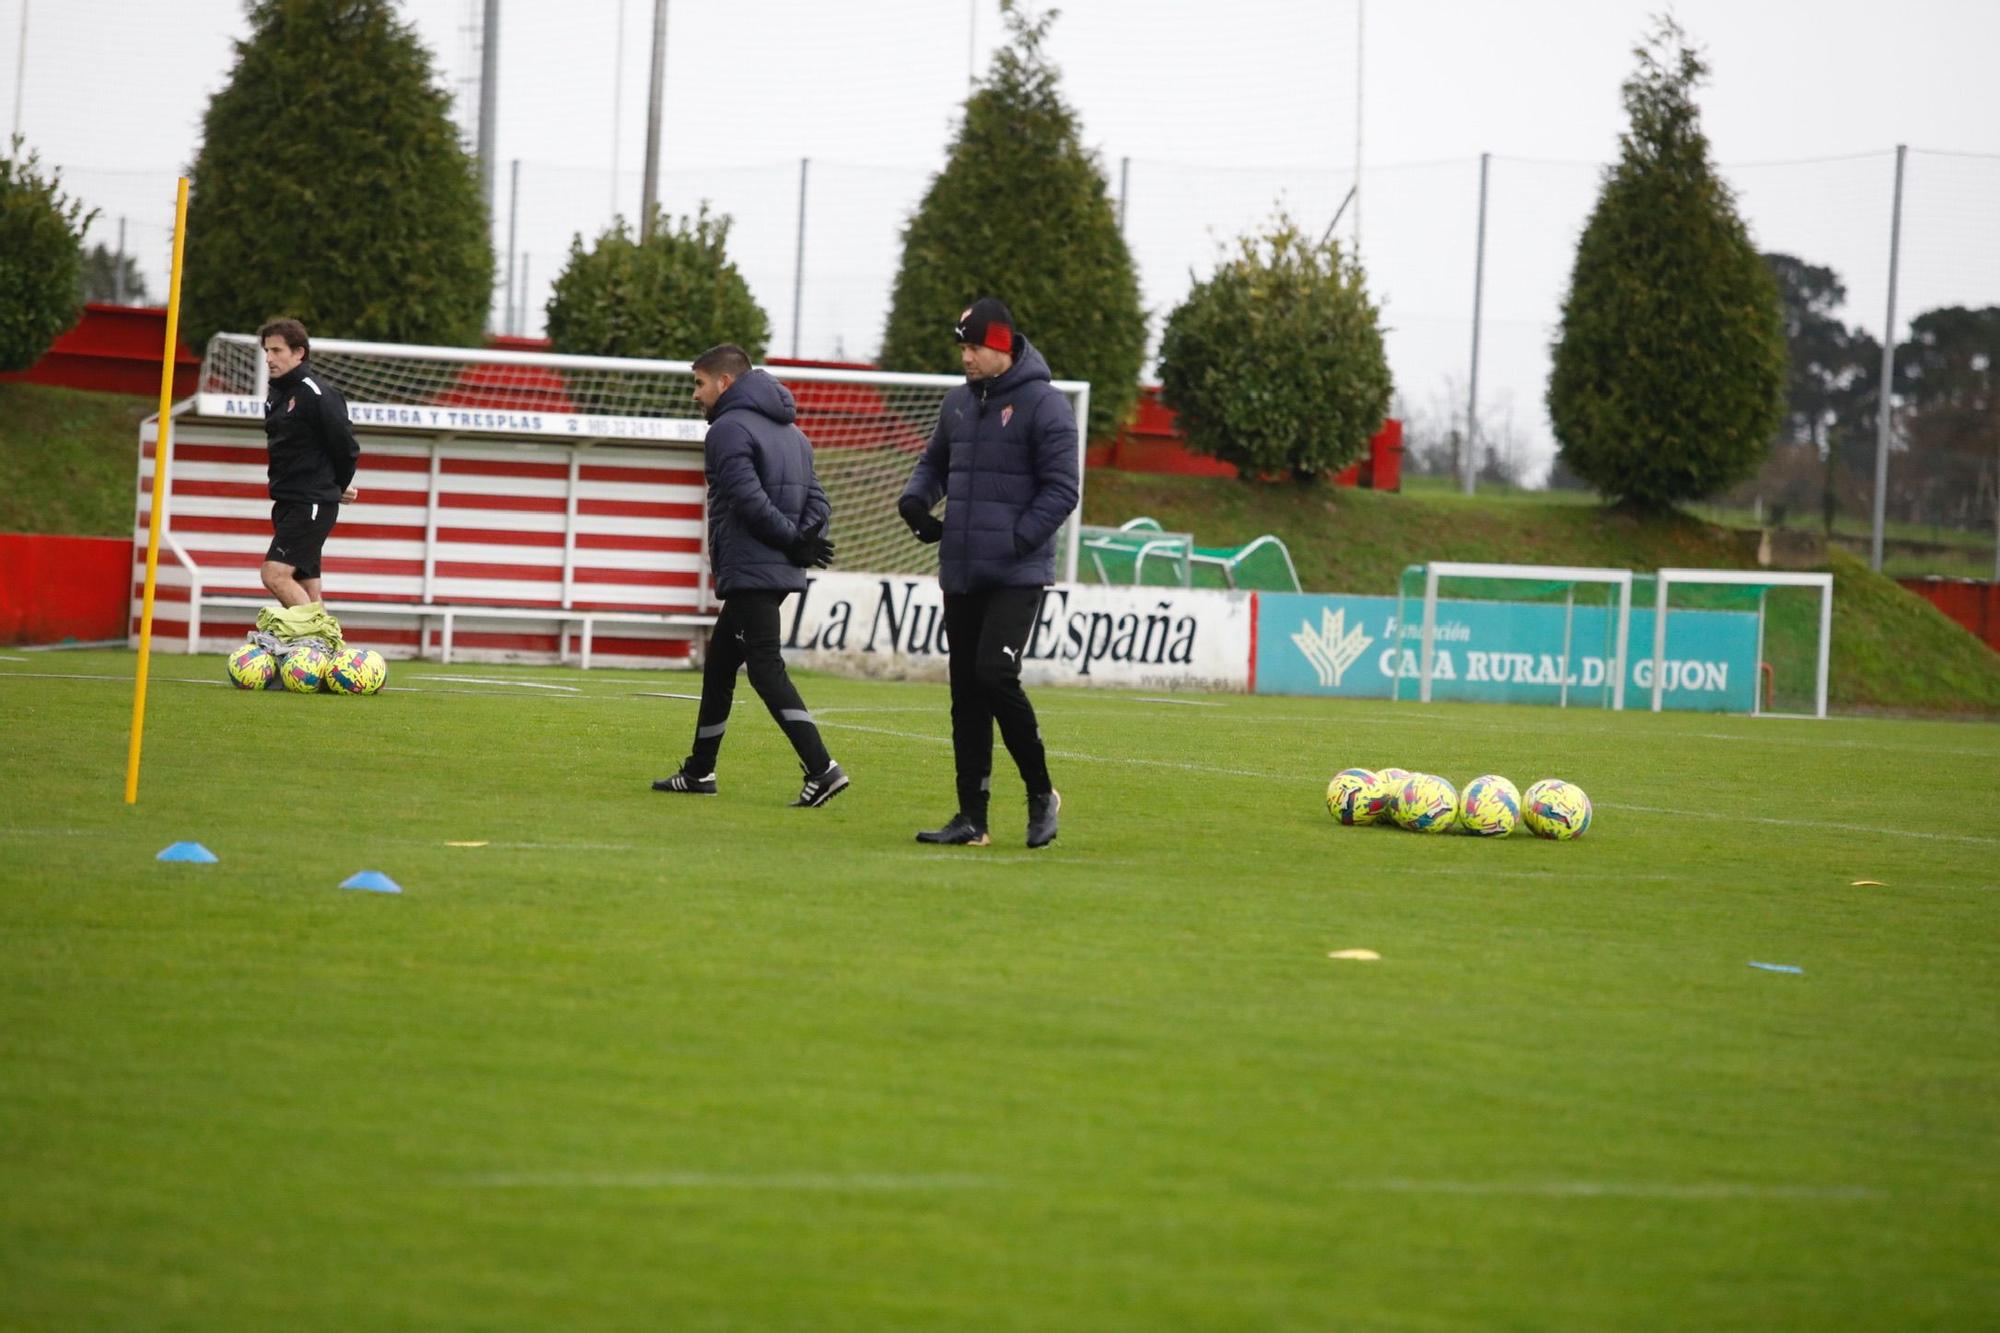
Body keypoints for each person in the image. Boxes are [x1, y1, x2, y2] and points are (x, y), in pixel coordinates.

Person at [897, 298, 1078, 849]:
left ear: (1001, 346)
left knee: (995, 676)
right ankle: (971, 819)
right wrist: (915, 501)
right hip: (962, 569)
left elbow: (1062, 490)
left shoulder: (1046, 406)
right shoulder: (957, 404)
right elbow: (934, 464)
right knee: (966, 693)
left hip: (1017, 572)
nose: (966, 356)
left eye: (974, 346)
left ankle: (1041, 793)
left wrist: (1015, 541)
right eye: (963, 346)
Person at [653, 344, 848, 807]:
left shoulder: (727, 429)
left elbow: (746, 498)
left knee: (764, 666)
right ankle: (700, 771)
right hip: (777, 568)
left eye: (699, 383)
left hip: (751, 566)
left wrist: (789, 540)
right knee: (721, 663)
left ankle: (823, 769)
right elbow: (818, 501)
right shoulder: (794, 434)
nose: (695, 394)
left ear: (724, 382)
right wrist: (800, 540)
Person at [259, 319, 359, 608]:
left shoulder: (316, 394)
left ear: (299, 353)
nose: (269, 358)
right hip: (287, 502)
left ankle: (314, 642)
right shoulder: (276, 395)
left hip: (311, 504)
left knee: (275, 574)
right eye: (267, 351)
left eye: (277, 350)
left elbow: (346, 448)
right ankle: (330, 652)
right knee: (308, 589)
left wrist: (336, 486)